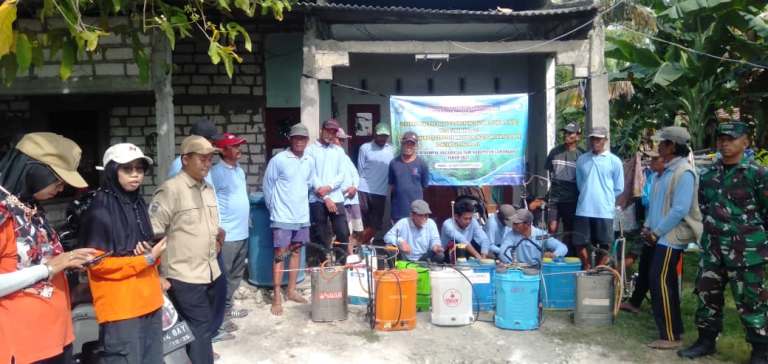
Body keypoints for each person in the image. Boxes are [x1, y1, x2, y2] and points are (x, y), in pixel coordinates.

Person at [0, 132, 97, 363]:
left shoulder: (29, 207)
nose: (62, 188)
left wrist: (70, 262)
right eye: (58, 179)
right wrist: (49, 268)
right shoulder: (3, 213)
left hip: (57, 338)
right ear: (36, 170)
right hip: (23, 346)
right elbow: (45, 268)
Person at [679, 122, 768, 363]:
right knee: (707, 297)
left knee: (751, 300)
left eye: (731, 138)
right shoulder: (708, 174)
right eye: (721, 138)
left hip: (747, 252)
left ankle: (761, 350)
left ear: (745, 142)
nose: (725, 143)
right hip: (713, 249)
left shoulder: (757, 174)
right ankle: (706, 341)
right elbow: (705, 207)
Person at [80, 143, 167, 363]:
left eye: (139, 169)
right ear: (112, 171)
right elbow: (96, 264)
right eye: (127, 169)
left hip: (150, 302)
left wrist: (149, 255)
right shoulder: (99, 210)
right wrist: (145, 259)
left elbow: (144, 253)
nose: (135, 175)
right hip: (122, 309)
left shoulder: (137, 203)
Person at [149, 136, 224, 364]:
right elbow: (152, 234)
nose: (207, 164)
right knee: (200, 327)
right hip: (184, 275)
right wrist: (156, 275)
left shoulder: (207, 188)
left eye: (210, 159)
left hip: (210, 270)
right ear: (185, 160)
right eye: (202, 159)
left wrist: (217, 240)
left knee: (203, 327)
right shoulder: (171, 190)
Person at [165, 118, 231, 342]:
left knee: (218, 287)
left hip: (209, 239)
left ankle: (208, 334)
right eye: (210, 141)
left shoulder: (204, 163)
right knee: (200, 297)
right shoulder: (181, 167)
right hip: (191, 248)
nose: (211, 150)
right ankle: (202, 338)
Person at [639, 127, 701, 350]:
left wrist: (657, 232)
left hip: (671, 236)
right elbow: (656, 205)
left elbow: (679, 210)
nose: (658, 146)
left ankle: (671, 336)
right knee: (663, 282)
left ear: (672, 146)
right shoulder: (664, 172)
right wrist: (648, 227)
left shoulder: (684, 172)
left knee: (660, 281)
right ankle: (675, 329)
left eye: (662, 143)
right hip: (659, 234)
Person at [262, 123, 314, 316]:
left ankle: (291, 290)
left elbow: (308, 185)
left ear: (307, 141)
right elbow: (268, 186)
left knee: (296, 253)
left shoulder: (309, 160)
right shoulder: (279, 160)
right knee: (279, 254)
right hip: (282, 216)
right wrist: (274, 210)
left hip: (301, 216)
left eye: (303, 138)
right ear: (290, 140)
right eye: (296, 138)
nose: (299, 141)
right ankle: (277, 295)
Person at [210, 133, 250, 321]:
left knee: (236, 275)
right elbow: (211, 200)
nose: (238, 149)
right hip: (227, 235)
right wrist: (216, 229)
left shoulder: (239, 171)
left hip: (242, 232)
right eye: (234, 146)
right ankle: (219, 317)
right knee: (222, 277)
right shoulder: (216, 172)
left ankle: (226, 309)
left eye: (238, 145)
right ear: (223, 151)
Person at [621, 150, 665, 314]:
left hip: (664, 232)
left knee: (657, 271)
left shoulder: (672, 178)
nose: (651, 162)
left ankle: (660, 306)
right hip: (649, 228)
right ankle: (635, 302)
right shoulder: (653, 178)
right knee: (645, 266)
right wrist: (646, 226)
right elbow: (647, 202)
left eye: (655, 159)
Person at [574, 126, 624, 269]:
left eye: (598, 139)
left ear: (605, 140)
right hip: (583, 209)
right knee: (579, 242)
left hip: (604, 210)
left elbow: (619, 187)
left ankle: (599, 269)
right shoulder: (582, 159)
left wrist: (605, 198)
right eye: (592, 138)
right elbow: (580, 183)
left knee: (606, 243)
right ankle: (587, 266)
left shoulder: (614, 161)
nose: (595, 141)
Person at [306, 119, 350, 265]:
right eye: (328, 130)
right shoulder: (310, 150)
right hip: (317, 198)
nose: (330, 134)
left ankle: (341, 263)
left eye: (333, 132)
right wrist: (325, 196)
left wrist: (329, 187)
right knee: (320, 234)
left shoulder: (338, 151)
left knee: (342, 232)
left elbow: (342, 174)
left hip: (336, 197)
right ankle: (322, 264)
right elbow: (311, 175)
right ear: (321, 130)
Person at [546, 122, 585, 256]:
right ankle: (549, 256)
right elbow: (549, 174)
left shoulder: (582, 156)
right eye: (565, 132)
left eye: (570, 133)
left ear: (578, 136)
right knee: (552, 228)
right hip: (555, 198)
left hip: (573, 200)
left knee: (570, 231)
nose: (567, 135)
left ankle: (568, 257)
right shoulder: (554, 152)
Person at [357, 123, 395, 243]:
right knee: (362, 222)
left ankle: (359, 244)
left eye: (385, 136)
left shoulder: (392, 149)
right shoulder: (365, 147)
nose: (382, 138)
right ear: (374, 134)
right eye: (380, 136)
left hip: (381, 192)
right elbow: (360, 169)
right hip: (363, 190)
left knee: (375, 225)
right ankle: (363, 247)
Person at [491, 209, 567, 265]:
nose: (513, 226)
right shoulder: (511, 235)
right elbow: (503, 251)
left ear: (527, 224)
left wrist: (554, 255)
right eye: (513, 223)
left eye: (516, 223)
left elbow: (563, 247)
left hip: (538, 269)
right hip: (519, 270)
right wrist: (512, 263)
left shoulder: (540, 235)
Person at [389, 131, 430, 222]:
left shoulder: (422, 164)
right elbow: (391, 186)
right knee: (399, 236)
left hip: (417, 211)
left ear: (416, 146)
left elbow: (424, 186)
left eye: (412, 144)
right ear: (402, 144)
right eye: (406, 143)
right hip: (398, 210)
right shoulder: (393, 163)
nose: (409, 146)